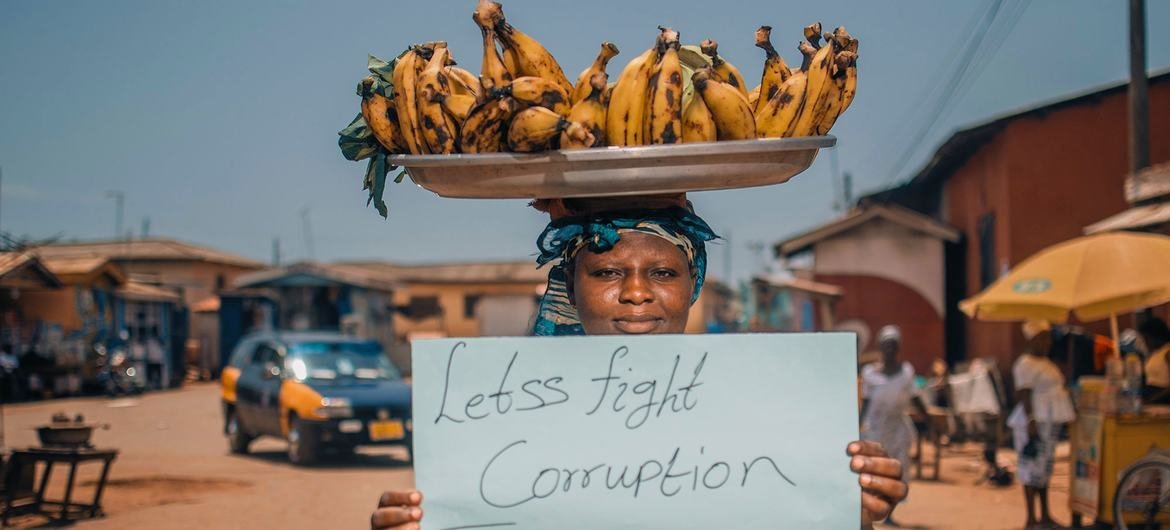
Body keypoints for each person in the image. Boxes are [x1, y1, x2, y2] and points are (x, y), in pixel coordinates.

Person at [370, 199, 909, 530]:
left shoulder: (764, 410)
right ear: (570, 286)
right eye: (606, 273)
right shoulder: (498, 414)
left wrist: (849, 512)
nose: (635, 294)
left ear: (692, 285)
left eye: (663, 273)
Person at [1007, 320, 1075, 530]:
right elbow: (1023, 394)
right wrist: (1031, 420)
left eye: (1048, 338)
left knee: (1044, 469)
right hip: (1034, 421)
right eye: (1043, 338)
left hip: (1049, 422)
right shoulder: (1024, 364)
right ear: (1033, 339)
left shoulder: (1046, 363)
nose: (1048, 342)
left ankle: (1044, 515)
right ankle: (1031, 518)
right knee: (1029, 468)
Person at [859, 325, 928, 528]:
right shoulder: (870, 374)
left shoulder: (906, 373)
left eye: (893, 346)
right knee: (872, 472)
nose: (889, 350)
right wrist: (856, 425)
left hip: (897, 429)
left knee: (898, 472)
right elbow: (866, 402)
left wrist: (930, 421)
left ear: (898, 348)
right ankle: (872, 511)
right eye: (886, 346)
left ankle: (889, 513)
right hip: (875, 429)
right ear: (880, 347)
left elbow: (916, 398)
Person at [1137, 316, 1170, 404]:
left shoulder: (1167, 351)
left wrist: (1153, 400)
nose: (1145, 342)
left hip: (1162, 399)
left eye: (1146, 338)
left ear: (1155, 336)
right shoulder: (1154, 353)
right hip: (1150, 397)